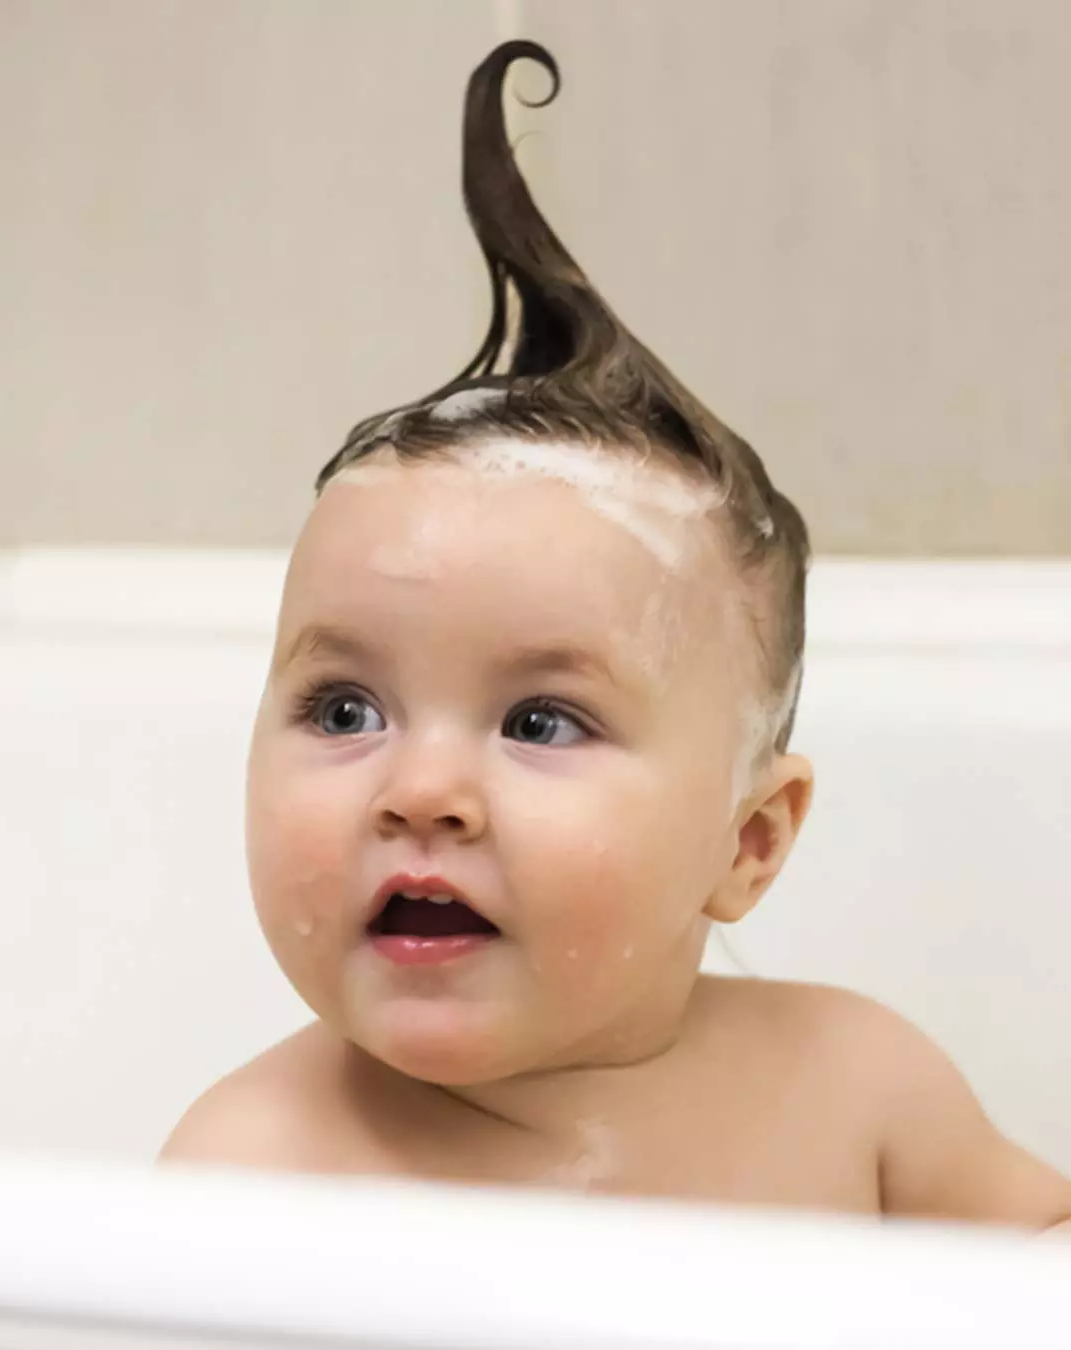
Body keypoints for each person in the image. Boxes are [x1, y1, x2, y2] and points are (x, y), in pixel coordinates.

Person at [161, 40, 1071, 1229]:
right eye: (345, 709)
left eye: (541, 720)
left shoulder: (860, 1092)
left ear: (747, 842)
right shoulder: (256, 1175)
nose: (420, 789)